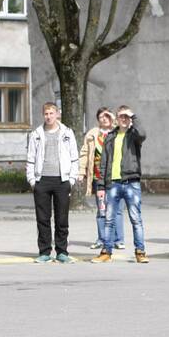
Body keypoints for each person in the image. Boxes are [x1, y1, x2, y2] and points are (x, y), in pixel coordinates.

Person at [25, 102, 80, 264]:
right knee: (43, 218)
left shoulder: (67, 133)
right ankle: (44, 252)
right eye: (46, 114)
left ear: (57, 114)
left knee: (61, 218)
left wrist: (71, 180)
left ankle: (62, 252)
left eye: (51, 113)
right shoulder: (36, 134)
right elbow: (30, 159)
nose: (48, 117)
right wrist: (32, 181)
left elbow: (74, 157)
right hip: (42, 181)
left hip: (62, 180)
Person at [95, 105, 148, 264]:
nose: (124, 119)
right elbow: (103, 163)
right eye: (121, 117)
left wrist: (134, 116)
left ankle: (140, 252)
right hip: (113, 183)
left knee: (136, 219)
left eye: (127, 117)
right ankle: (106, 252)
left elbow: (143, 133)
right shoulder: (110, 136)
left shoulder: (134, 135)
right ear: (116, 119)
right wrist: (101, 185)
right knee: (109, 219)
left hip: (131, 182)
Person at [81, 108, 119, 251]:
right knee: (101, 209)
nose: (104, 119)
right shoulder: (92, 134)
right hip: (98, 177)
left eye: (106, 116)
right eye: (101, 117)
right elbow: (84, 152)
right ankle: (102, 238)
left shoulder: (116, 131)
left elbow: (126, 126)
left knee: (115, 210)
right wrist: (81, 171)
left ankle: (116, 239)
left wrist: (113, 117)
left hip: (115, 177)